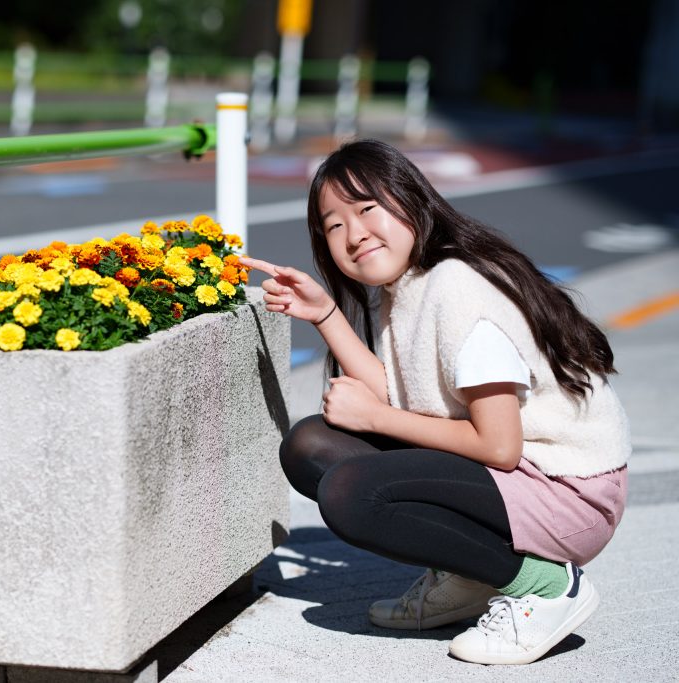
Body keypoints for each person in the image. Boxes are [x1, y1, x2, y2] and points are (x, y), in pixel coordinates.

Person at [239, 139, 629, 666]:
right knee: (311, 447)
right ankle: (473, 577)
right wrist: (327, 314)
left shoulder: (459, 289)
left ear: (409, 199)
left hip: (569, 493)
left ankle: (547, 587)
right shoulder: (410, 284)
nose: (353, 235)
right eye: (333, 226)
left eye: (367, 210)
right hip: (524, 480)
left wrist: (375, 418)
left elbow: (499, 446)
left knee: (352, 492)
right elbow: (410, 395)